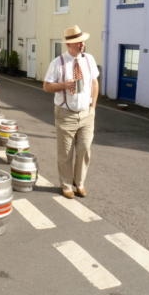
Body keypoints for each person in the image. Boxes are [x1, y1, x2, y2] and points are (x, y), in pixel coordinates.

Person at [43, 25, 99, 199]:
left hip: (86, 113)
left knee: (84, 150)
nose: (81, 44)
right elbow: (46, 86)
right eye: (78, 42)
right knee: (65, 153)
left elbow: (95, 84)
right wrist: (64, 85)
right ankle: (66, 184)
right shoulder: (58, 62)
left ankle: (79, 182)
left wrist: (93, 108)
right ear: (69, 44)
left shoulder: (89, 59)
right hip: (66, 113)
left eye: (82, 41)